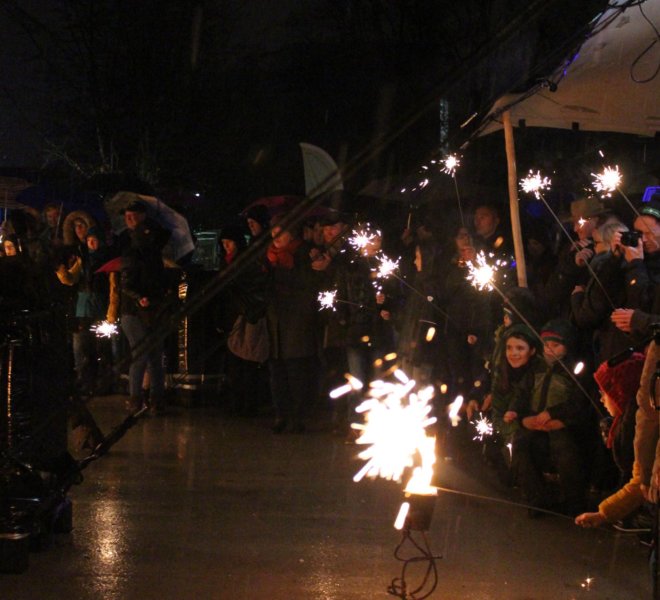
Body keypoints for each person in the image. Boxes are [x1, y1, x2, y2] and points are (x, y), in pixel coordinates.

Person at [511, 319, 590, 516]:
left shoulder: (574, 370)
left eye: (556, 345)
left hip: (563, 425)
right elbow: (522, 393)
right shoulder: (535, 368)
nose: (550, 349)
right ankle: (536, 497)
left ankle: (574, 502)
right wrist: (518, 414)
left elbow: (578, 403)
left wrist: (555, 415)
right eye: (547, 344)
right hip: (536, 422)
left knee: (565, 451)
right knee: (521, 444)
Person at [265, 216, 321, 433]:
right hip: (276, 321)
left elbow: (308, 285)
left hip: (296, 321)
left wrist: (283, 272)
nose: (275, 238)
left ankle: (297, 416)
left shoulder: (303, 253)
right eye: (273, 233)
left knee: (296, 370)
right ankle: (280, 414)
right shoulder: (270, 257)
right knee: (277, 371)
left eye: (280, 233)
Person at [120, 216, 172, 414]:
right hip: (135, 311)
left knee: (154, 356)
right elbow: (127, 283)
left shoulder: (153, 255)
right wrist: (139, 297)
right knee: (143, 355)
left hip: (151, 308)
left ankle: (154, 399)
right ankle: (138, 399)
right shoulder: (135, 254)